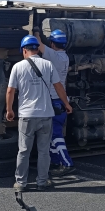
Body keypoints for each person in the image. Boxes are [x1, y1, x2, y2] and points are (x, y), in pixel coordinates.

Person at [6, 35, 73, 191]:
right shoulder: (48, 65)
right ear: (37, 49)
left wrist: (9, 110)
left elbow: (10, 91)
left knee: (23, 151)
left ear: (24, 50)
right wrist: (66, 104)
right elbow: (58, 87)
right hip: (45, 115)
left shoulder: (18, 67)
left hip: (27, 116)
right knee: (44, 151)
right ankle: (42, 182)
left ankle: (21, 183)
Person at [33, 28, 76, 177]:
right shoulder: (64, 57)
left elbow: (38, 45)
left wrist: (37, 33)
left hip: (53, 100)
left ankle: (66, 163)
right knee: (51, 134)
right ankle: (56, 162)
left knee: (55, 134)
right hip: (60, 100)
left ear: (52, 43)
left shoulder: (53, 55)